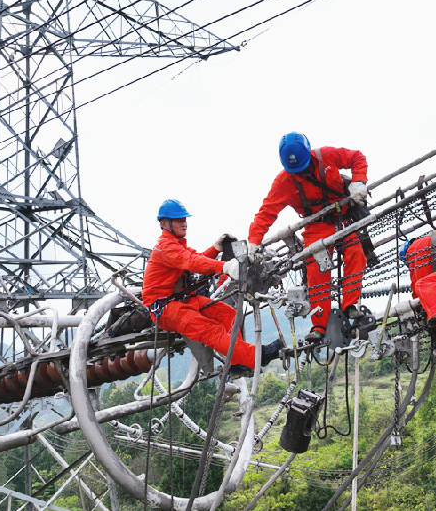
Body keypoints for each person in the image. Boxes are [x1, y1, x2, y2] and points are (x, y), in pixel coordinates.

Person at [247, 132, 369, 342]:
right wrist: (253, 240)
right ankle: (319, 326)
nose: (301, 172)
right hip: (316, 225)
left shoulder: (327, 156)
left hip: (343, 218)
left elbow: (357, 157)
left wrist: (359, 181)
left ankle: (350, 306)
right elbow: (267, 212)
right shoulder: (284, 181)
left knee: (356, 254)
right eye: (296, 169)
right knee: (315, 269)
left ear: (309, 155)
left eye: (303, 166)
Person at [143, 199, 283, 377]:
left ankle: (236, 363)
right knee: (211, 331)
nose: (184, 223)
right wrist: (224, 267)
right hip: (166, 309)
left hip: (183, 301)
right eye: (178, 220)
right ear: (164, 224)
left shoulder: (176, 245)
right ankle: (257, 356)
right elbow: (192, 262)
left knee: (229, 314)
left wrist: (215, 249)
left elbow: (195, 257)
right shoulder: (166, 247)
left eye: (184, 219)